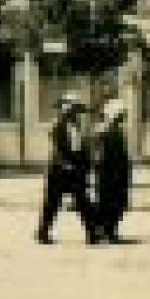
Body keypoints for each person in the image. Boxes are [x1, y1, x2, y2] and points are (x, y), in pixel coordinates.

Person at [37, 95, 99, 245]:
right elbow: (59, 148)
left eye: (77, 110)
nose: (76, 113)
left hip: (75, 171)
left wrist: (86, 165)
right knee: (52, 203)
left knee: (83, 202)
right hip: (59, 171)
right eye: (74, 109)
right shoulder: (57, 125)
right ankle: (43, 232)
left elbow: (80, 149)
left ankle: (93, 234)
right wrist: (66, 163)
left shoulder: (76, 127)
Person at [91, 95, 133, 244]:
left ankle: (108, 230)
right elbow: (99, 155)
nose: (122, 118)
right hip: (109, 173)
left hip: (117, 173)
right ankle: (107, 231)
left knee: (117, 203)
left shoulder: (114, 131)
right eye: (120, 115)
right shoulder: (104, 132)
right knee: (109, 202)